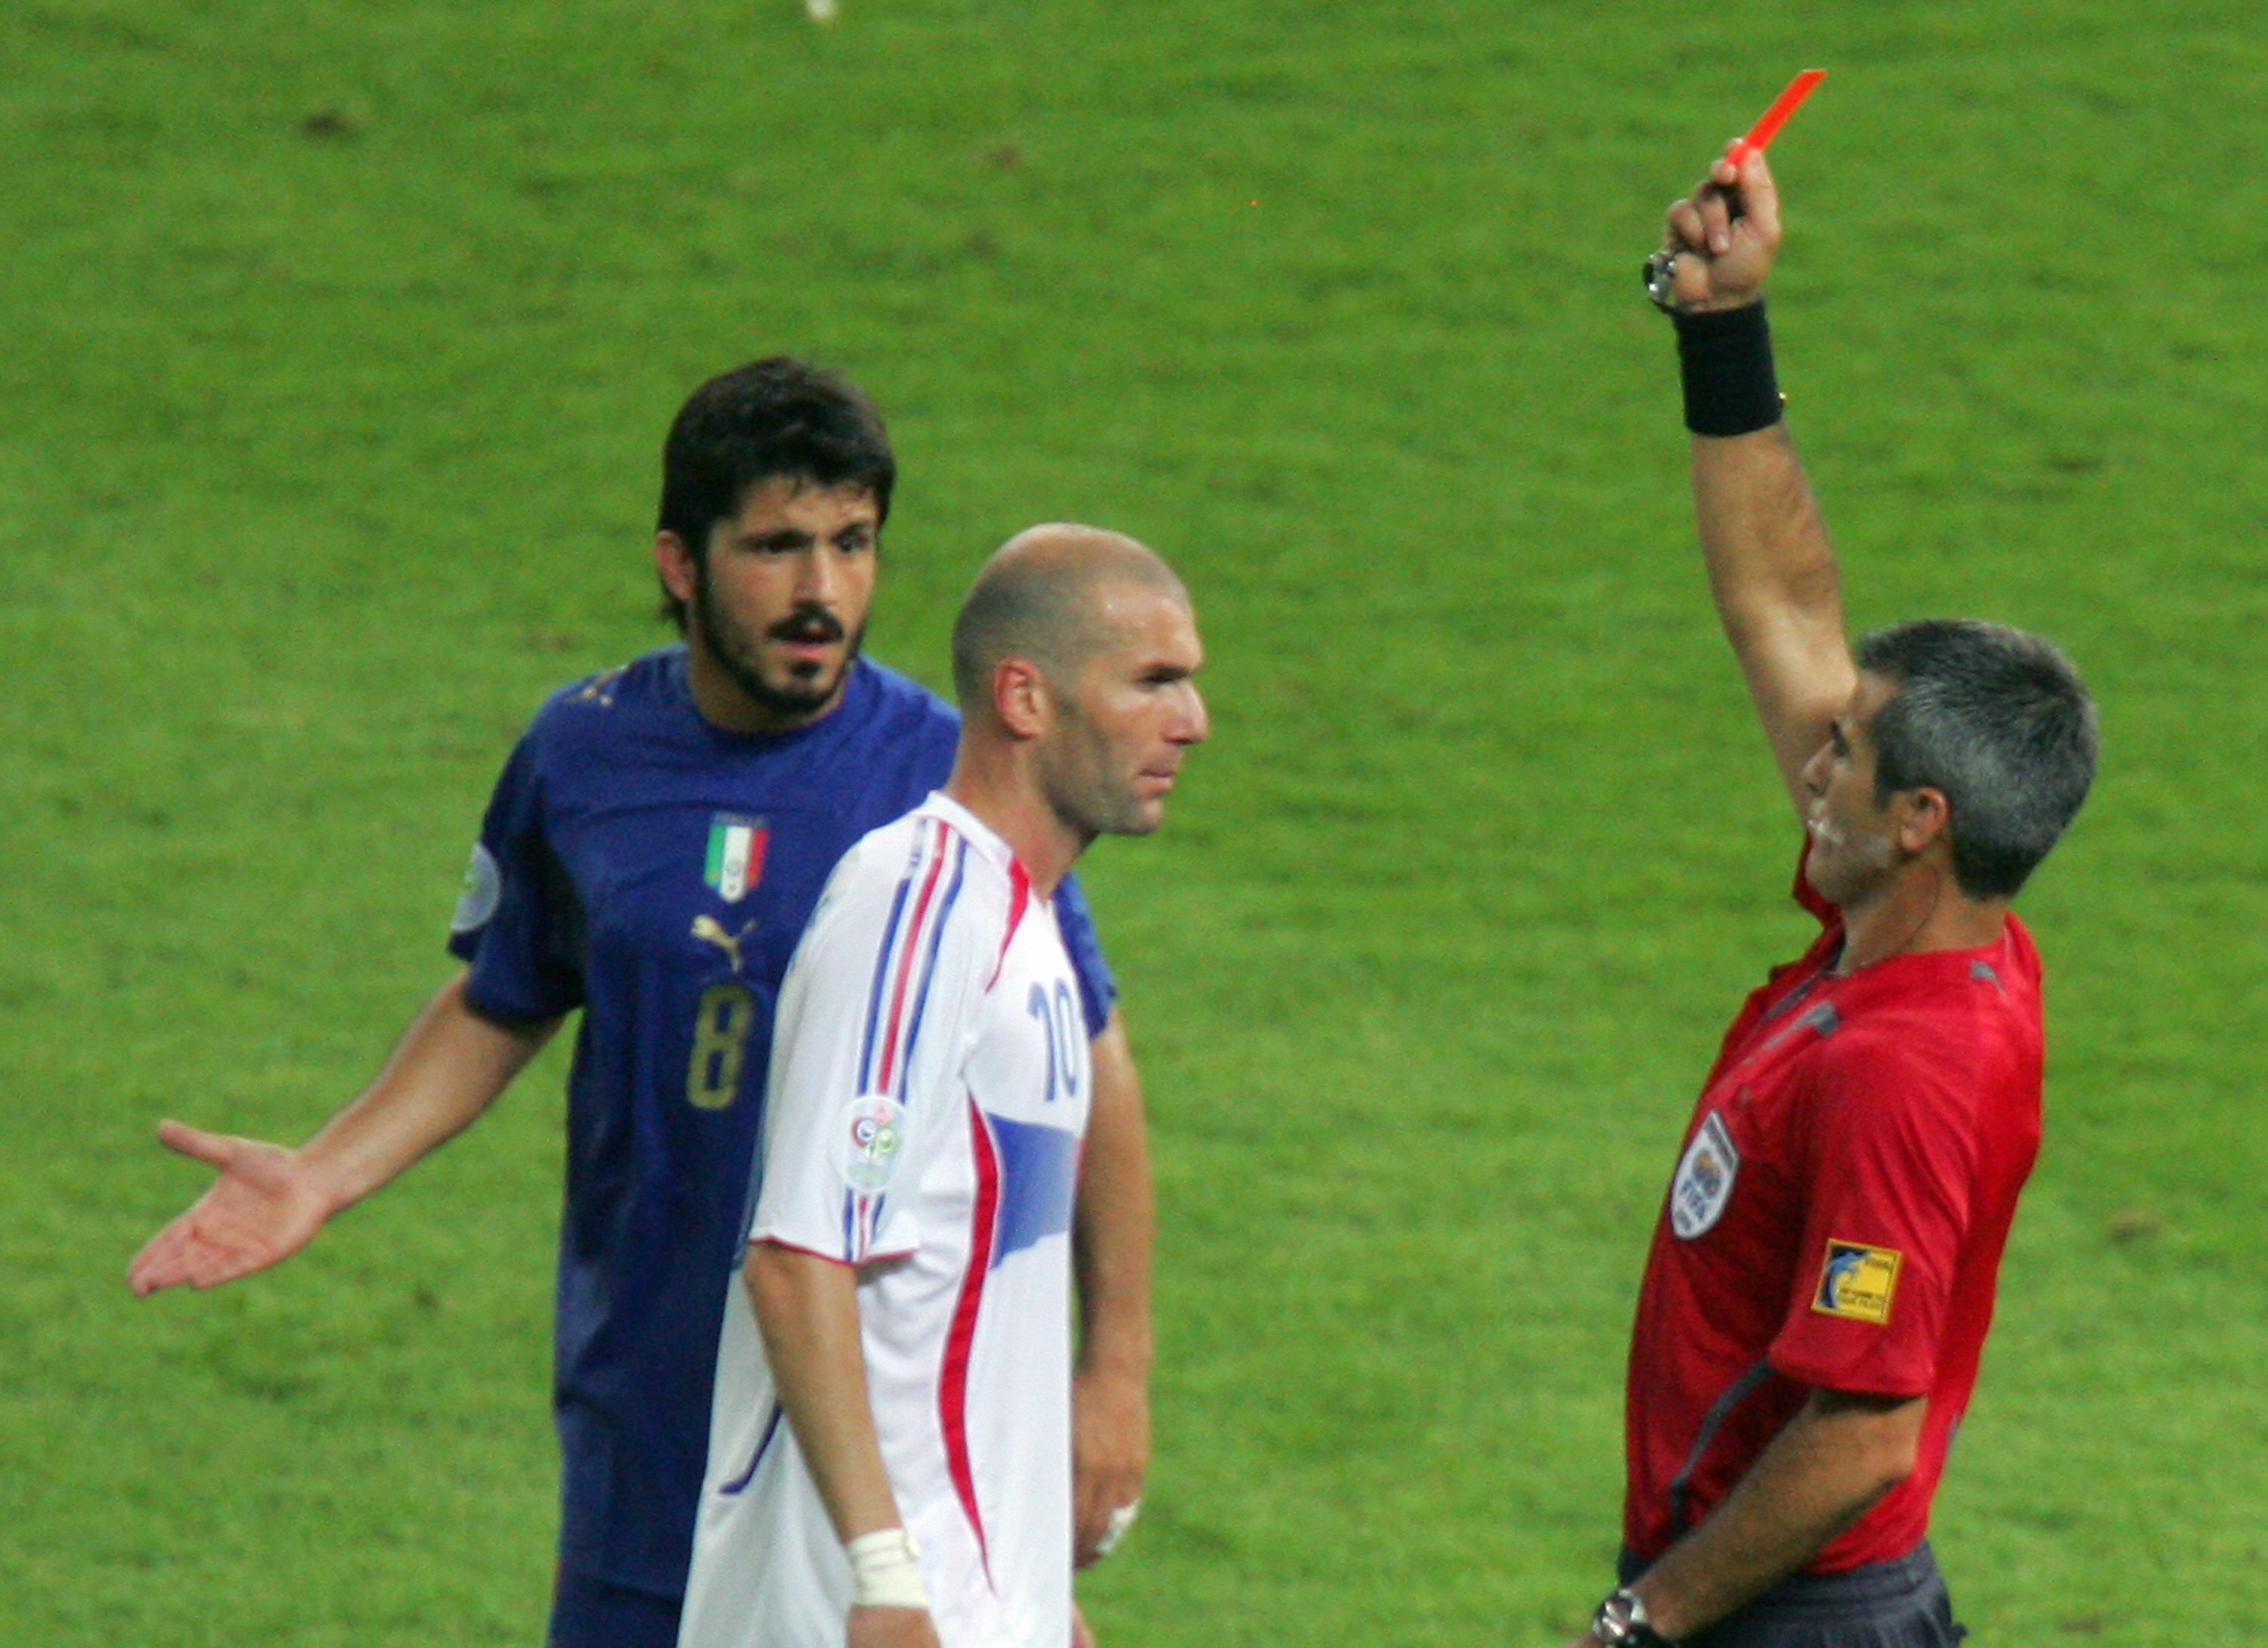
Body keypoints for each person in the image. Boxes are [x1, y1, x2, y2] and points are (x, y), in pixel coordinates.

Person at [127, 361, 1156, 1648]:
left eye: (852, 544)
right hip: (651, 1391)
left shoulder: (947, 779)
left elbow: (1080, 1061)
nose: (822, 592)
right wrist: (323, 1173)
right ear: (682, 562)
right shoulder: (585, 754)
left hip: (872, 1404)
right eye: (777, 547)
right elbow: (504, 1000)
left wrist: (1110, 1370)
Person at [1568, 147, 2099, 1648]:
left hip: (1788, 1612)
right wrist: (1725, 327)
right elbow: (1786, 606)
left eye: (1846, 753)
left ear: (1921, 821)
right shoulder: (1920, 932)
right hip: (1771, 1592)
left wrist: (1640, 1621)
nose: (1812, 758)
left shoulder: (1902, 1069)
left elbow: (1866, 1424)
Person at [674, 525, 1206, 1648]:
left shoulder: (1029, 935)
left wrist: (1025, 1591)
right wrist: (883, 1574)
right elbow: (800, 1253)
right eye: (1154, 682)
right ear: (1026, 698)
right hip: (857, 1610)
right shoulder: (917, 908)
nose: (1191, 722)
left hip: (963, 1600)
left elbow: (967, 1300)